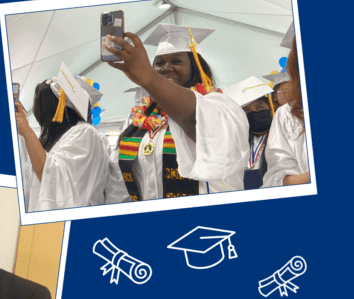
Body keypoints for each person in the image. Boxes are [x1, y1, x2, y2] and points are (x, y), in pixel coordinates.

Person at [104, 24, 249, 200]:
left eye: (176, 61)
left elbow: (194, 120)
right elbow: (120, 181)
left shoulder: (220, 104)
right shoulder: (138, 116)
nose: (166, 68)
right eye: (159, 63)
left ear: (195, 67)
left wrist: (150, 78)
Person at [15, 75, 129, 211]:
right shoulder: (50, 141)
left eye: (43, 105)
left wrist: (27, 132)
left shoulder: (86, 133)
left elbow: (53, 179)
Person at [262, 35, 309, 187]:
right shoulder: (286, 115)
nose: (290, 93)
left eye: (290, 89)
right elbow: (278, 176)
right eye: (284, 91)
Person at [221, 77, 276, 190]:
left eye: (260, 107)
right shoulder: (237, 142)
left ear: (270, 108)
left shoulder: (280, 138)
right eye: (246, 111)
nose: (255, 114)